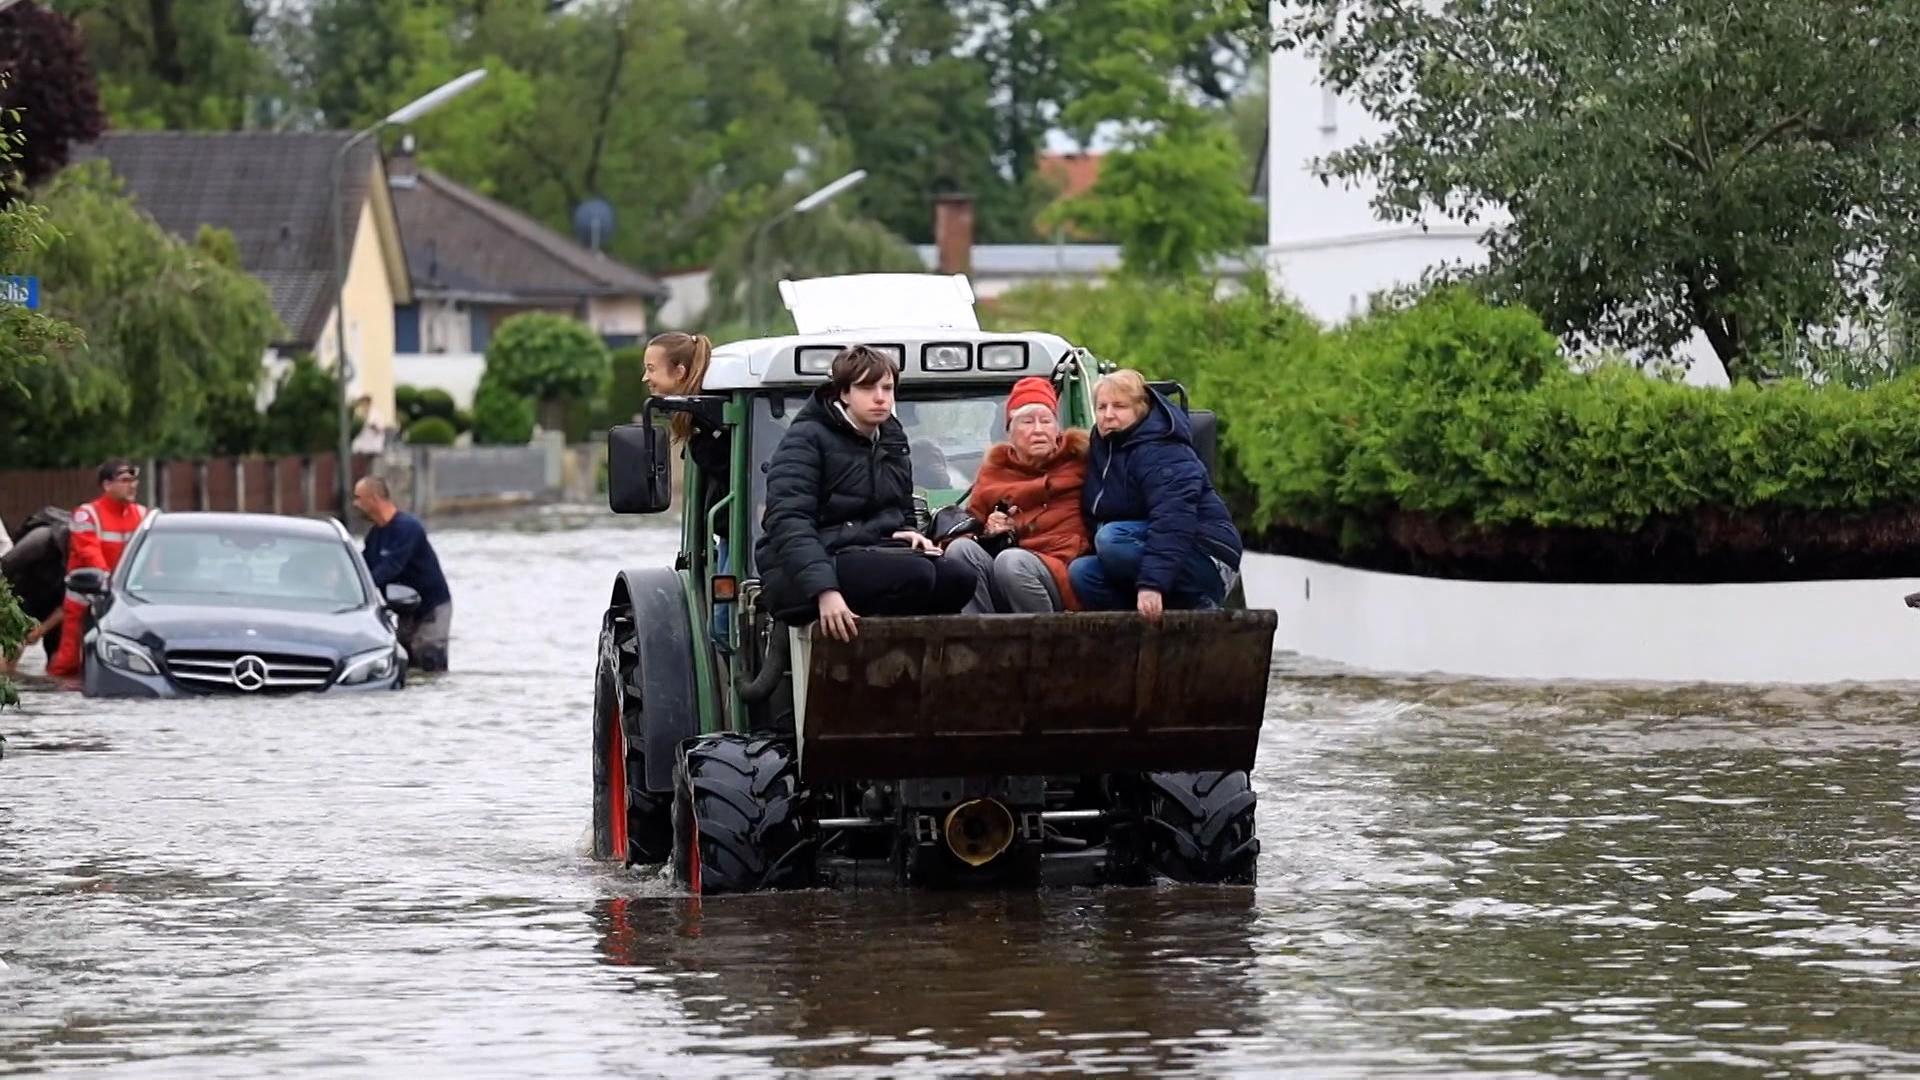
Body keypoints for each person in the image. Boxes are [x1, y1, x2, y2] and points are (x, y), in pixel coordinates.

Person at [755, 344, 975, 641]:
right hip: (801, 574)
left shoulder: (891, 440)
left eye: (888, 387)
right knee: (915, 574)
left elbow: (899, 510)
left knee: (959, 577)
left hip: (865, 553)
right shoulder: (805, 440)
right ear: (843, 393)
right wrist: (825, 592)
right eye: (867, 387)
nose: (880, 397)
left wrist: (907, 531)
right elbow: (788, 523)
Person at [1070, 369, 1243, 619]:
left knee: (1111, 539)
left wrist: (1152, 584)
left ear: (1140, 408)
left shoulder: (1161, 447)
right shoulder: (1102, 448)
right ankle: (1136, 633)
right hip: (1154, 551)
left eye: (1119, 406)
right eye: (1101, 407)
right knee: (1082, 572)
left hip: (1206, 555)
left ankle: (1197, 605)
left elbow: (1174, 520)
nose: (1108, 415)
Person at [940, 377, 1091, 613]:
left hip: (1062, 569)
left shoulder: (1080, 460)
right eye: (1027, 422)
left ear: (1057, 428)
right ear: (1010, 431)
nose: (1038, 430)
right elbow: (968, 525)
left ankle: (1046, 643)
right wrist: (989, 530)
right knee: (960, 551)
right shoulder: (994, 470)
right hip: (1004, 570)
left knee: (1012, 562)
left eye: (1046, 420)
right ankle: (980, 642)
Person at [47, 461, 149, 677]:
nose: (132, 486)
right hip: (86, 596)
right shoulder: (87, 514)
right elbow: (89, 552)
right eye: (124, 481)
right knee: (69, 661)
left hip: (126, 598)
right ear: (106, 485)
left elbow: (151, 559)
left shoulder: (142, 515)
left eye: (134, 480)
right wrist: (109, 582)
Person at [352, 476, 453, 671]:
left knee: (429, 663)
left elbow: (391, 567)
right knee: (405, 664)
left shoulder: (408, 528)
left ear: (373, 499)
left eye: (358, 498)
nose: (355, 504)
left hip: (431, 608)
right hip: (405, 609)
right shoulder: (375, 535)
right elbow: (364, 567)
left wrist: (362, 589)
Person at [2, 508, 71, 675]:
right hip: (23, 593)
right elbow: (5, 570)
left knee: (59, 657)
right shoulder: (39, 541)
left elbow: (71, 604)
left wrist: (42, 629)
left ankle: (54, 693)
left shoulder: (88, 558)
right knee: (14, 648)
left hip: (56, 600)